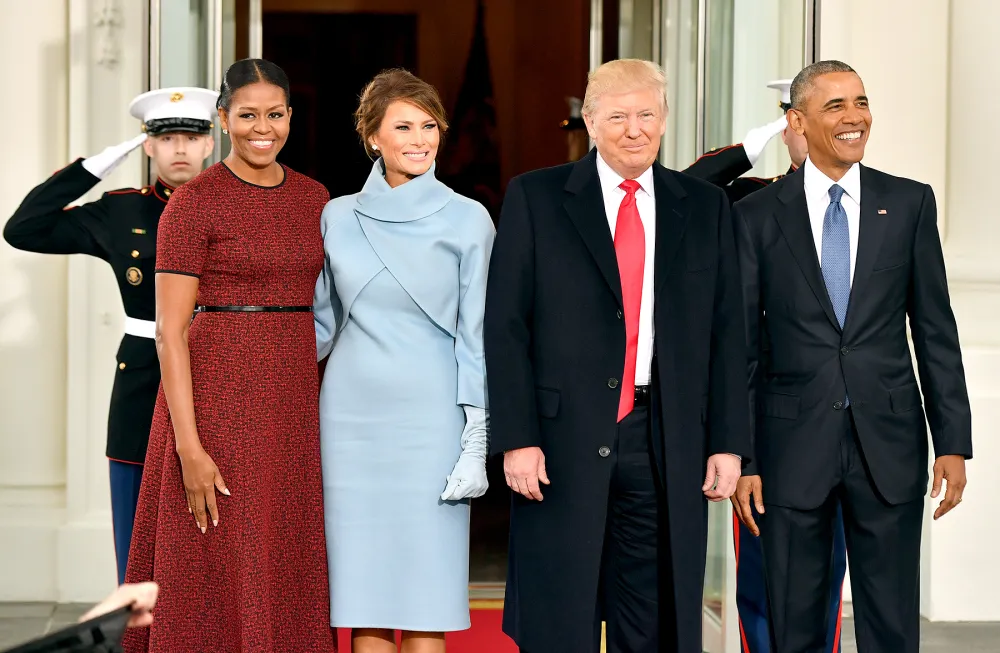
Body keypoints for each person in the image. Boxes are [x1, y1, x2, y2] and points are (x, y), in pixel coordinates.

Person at [484, 58, 750, 653]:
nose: (635, 129)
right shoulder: (537, 197)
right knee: (561, 615)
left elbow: (728, 334)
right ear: (591, 121)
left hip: (667, 439)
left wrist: (728, 443)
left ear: (664, 120)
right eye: (620, 116)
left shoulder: (703, 206)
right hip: (558, 439)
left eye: (647, 115)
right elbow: (505, 328)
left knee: (653, 620)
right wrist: (517, 438)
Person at [732, 60, 972, 653]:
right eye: (835, 106)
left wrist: (953, 441)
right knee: (796, 625)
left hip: (888, 443)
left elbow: (935, 330)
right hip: (788, 450)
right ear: (797, 120)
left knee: (891, 623)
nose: (854, 117)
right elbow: (739, 346)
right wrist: (744, 456)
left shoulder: (909, 203)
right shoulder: (756, 215)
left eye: (861, 102)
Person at [121, 58, 336, 653]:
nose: (261, 127)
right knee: (212, 560)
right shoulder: (195, 203)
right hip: (216, 399)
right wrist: (188, 448)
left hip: (294, 399)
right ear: (223, 120)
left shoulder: (315, 198)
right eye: (246, 115)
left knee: (283, 552)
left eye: (274, 114)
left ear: (291, 117)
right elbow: (169, 332)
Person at [2, 87, 217, 585]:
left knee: (216, 525)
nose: (180, 148)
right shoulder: (121, 212)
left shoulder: (237, 207)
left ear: (210, 144)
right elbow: (24, 230)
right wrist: (94, 166)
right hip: (144, 376)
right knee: (137, 519)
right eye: (167, 139)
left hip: (218, 366)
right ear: (147, 147)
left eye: (191, 136)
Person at [314, 68, 494, 653]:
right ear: (373, 138)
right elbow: (318, 325)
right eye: (404, 126)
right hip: (349, 420)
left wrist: (475, 436)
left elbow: (476, 335)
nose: (421, 138)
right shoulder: (337, 215)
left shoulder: (470, 218)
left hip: (430, 419)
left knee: (425, 599)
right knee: (363, 600)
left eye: (429, 126)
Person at [685, 80, 847, 653]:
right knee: (761, 577)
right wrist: (745, 152)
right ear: (789, 126)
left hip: (843, 425)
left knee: (826, 578)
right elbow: (682, 191)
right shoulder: (750, 199)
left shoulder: (870, 202)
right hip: (771, 424)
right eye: (800, 121)